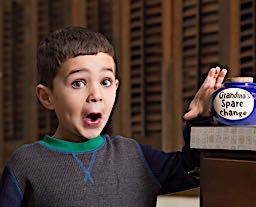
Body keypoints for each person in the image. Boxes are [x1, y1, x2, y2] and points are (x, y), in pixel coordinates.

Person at [0, 26, 227, 206]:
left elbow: (197, 168)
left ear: (116, 87)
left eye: (105, 82)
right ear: (46, 97)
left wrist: (200, 120)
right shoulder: (25, 164)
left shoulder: (136, 157)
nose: (96, 95)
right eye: (78, 83)